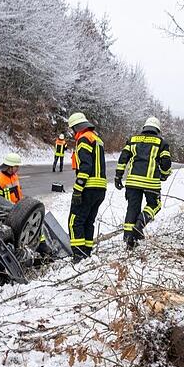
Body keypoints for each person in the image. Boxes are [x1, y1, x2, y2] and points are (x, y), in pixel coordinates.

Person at [115, 116, 171, 249]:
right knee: (155, 204)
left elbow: (123, 158)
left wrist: (118, 176)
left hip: (133, 181)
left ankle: (129, 238)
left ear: (144, 127)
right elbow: (166, 163)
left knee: (132, 207)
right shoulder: (161, 142)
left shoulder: (133, 140)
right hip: (151, 182)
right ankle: (140, 225)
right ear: (157, 129)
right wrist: (164, 175)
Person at [66, 112, 106, 262]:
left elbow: (86, 167)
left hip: (88, 187)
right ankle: (87, 253)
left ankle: (78, 256)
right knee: (89, 221)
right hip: (100, 188)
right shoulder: (97, 138)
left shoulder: (83, 139)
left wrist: (78, 189)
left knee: (75, 221)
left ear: (76, 127)